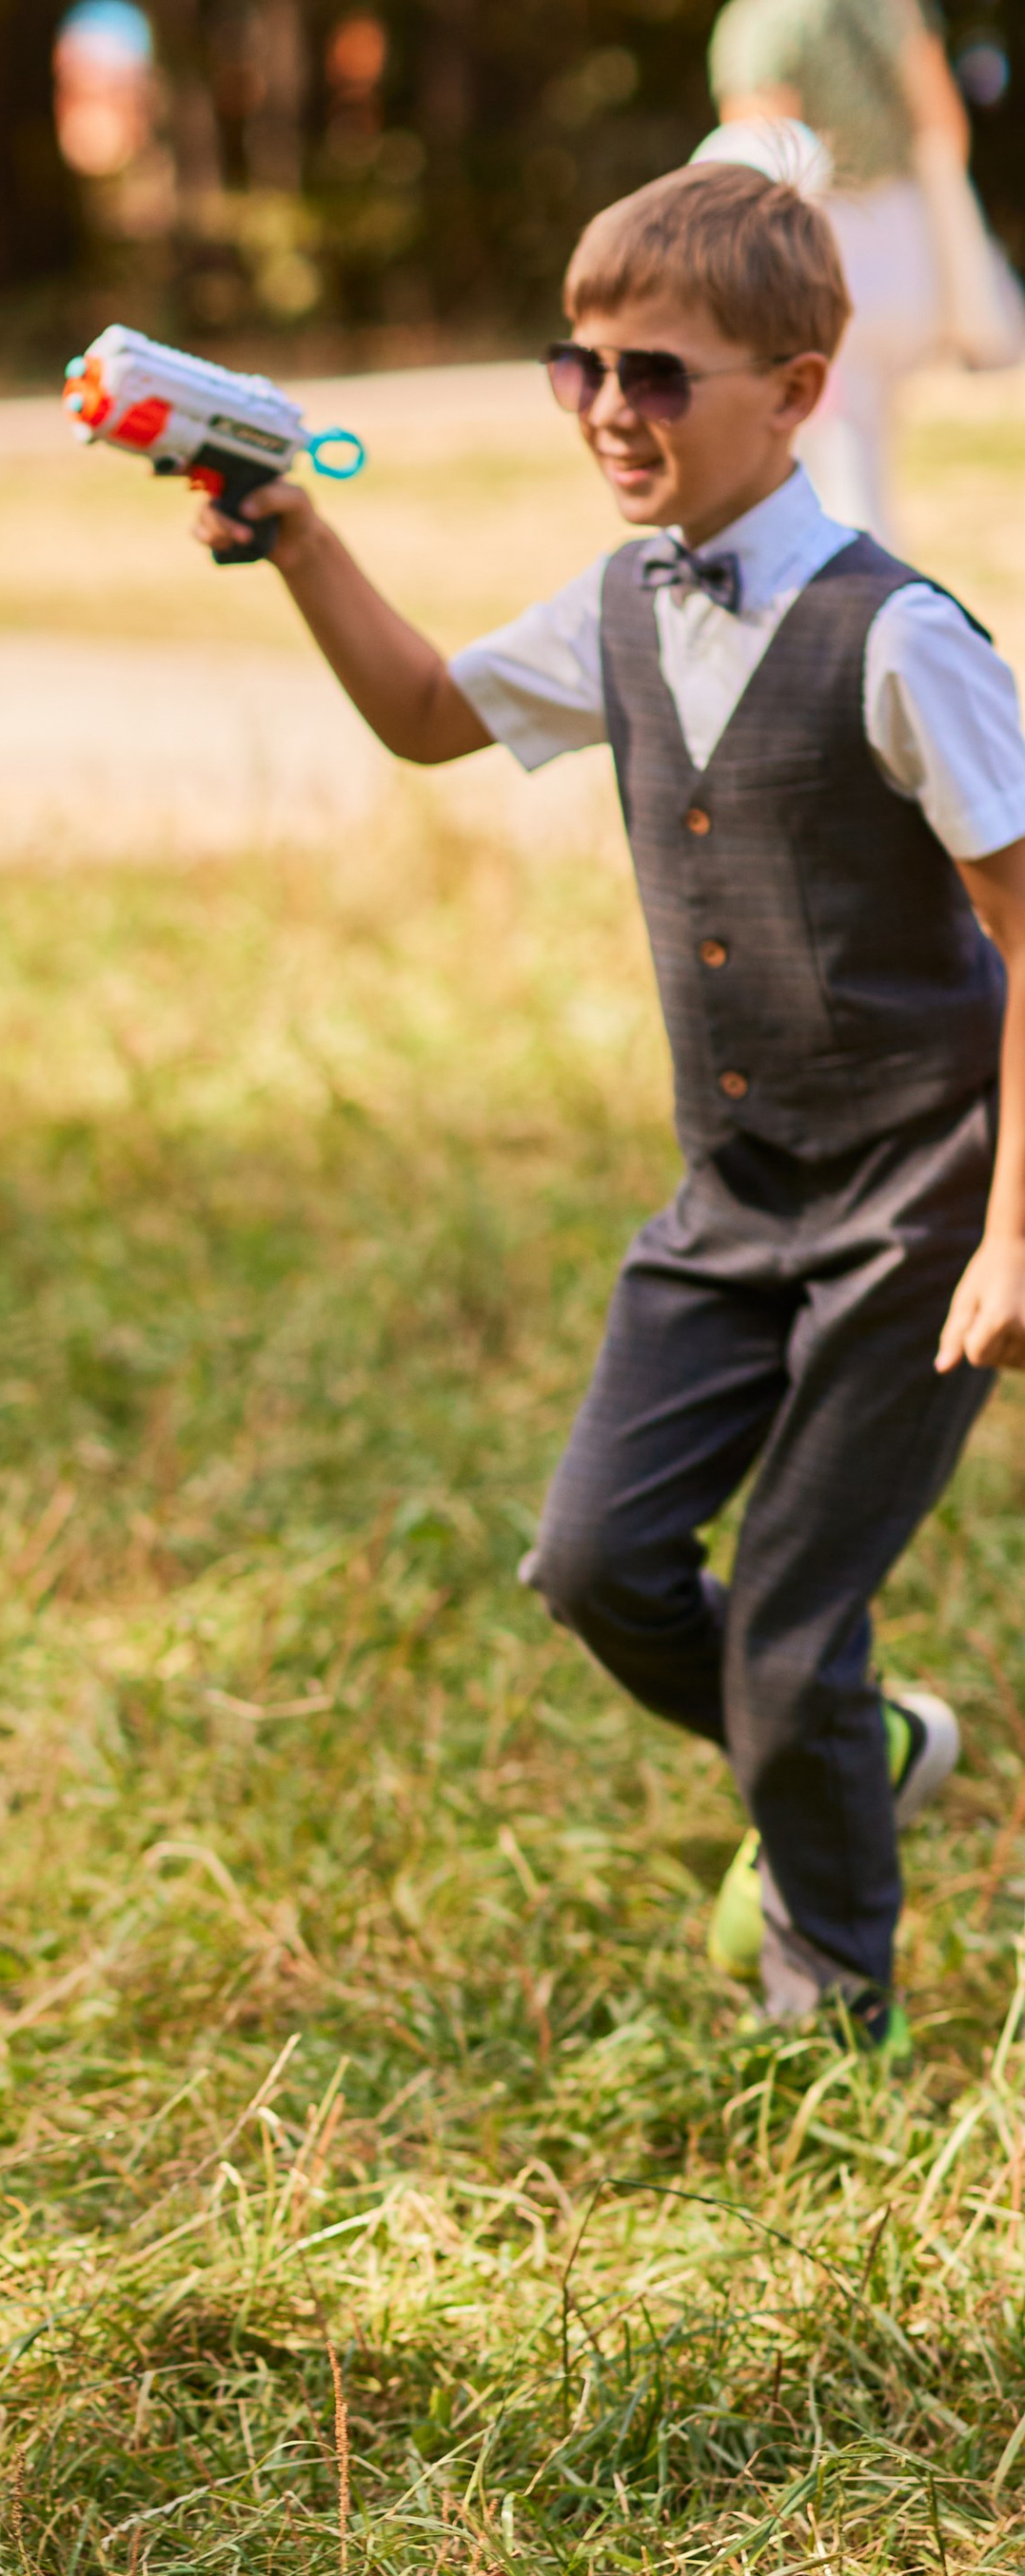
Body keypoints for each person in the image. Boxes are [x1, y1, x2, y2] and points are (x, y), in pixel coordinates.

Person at [188, 160, 1025, 2053]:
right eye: (577, 372)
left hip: (919, 1200)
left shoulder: (898, 640)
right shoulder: (619, 608)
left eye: (656, 376)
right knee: (592, 1563)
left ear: (797, 392)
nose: (607, 415)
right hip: (731, 1198)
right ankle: (858, 1747)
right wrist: (295, 536)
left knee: (793, 1621)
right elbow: (419, 713)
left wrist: (1009, 1233)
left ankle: (828, 2020)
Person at [707, 0, 988, 533]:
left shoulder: (764, 21)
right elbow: (944, 127)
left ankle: (852, 586)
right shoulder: (889, 8)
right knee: (866, 436)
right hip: (906, 240)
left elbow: (763, 153)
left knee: (829, 446)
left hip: (822, 238)